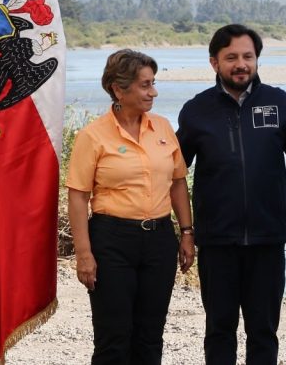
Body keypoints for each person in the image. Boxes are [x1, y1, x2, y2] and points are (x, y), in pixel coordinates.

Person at [176, 24, 286, 364]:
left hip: (268, 239)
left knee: (263, 331)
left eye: (248, 56)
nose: (241, 64)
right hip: (217, 241)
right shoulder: (197, 109)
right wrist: (184, 232)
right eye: (231, 57)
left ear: (257, 59)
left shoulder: (279, 103)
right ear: (214, 62)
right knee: (219, 330)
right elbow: (173, 172)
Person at [66, 49, 195, 363]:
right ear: (119, 89)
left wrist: (187, 233)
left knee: (150, 336)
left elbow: (178, 181)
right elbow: (78, 197)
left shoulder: (163, 128)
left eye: (153, 83)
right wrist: (84, 255)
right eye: (145, 85)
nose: (153, 92)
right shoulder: (92, 136)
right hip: (112, 240)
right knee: (114, 338)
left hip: (159, 239)